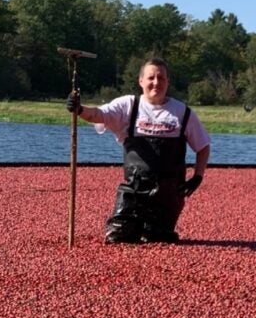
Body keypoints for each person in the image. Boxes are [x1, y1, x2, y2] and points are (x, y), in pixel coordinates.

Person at [68, 57, 211, 244]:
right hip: (134, 190)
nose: (156, 83)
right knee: (119, 236)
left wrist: (198, 177)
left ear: (168, 81)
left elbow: (203, 146)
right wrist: (79, 108)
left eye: (161, 78)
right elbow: (98, 115)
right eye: (151, 78)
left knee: (158, 239)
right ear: (141, 80)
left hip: (168, 194)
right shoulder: (128, 106)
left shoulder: (183, 113)